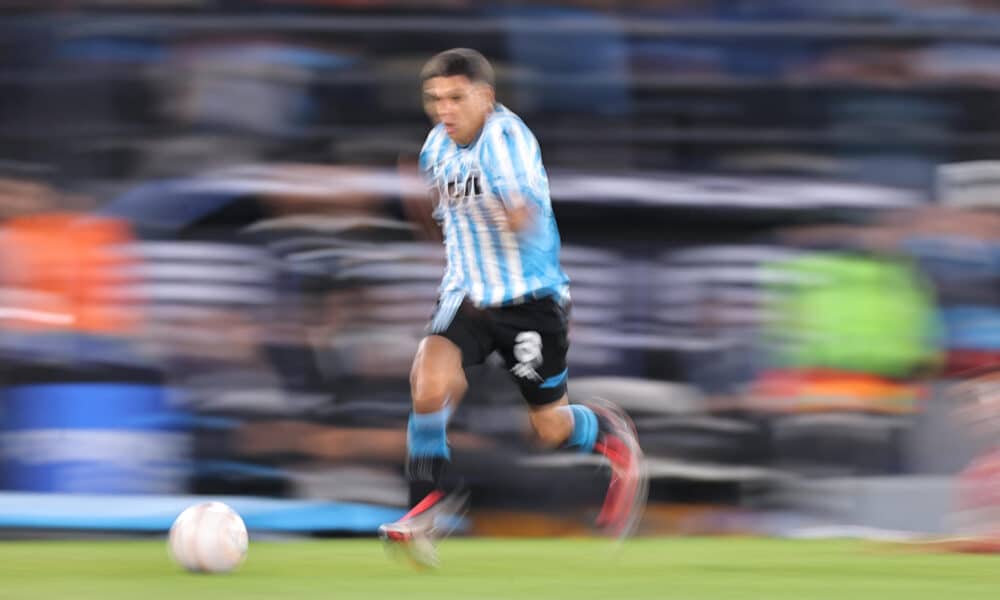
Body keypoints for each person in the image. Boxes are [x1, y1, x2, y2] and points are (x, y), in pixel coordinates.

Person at [378, 48, 646, 566]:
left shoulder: (507, 140)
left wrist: (511, 216)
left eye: (455, 97)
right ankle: (423, 508)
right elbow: (448, 223)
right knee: (429, 379)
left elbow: (522, 214)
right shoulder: (435, 148)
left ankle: (611, 436)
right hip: (469, 297)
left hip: (529, 302)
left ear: (485, 96)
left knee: (549, 428)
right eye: (435, 99)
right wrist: (425, 216)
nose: (444, 110)